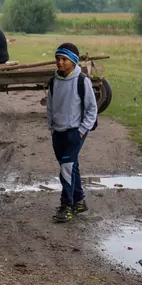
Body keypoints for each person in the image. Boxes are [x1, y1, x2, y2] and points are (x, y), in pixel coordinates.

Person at [47, 43, 98, 223]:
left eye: (64, 59)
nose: (60, 63)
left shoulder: (82, 81)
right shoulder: (53, 82)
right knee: (71, 166)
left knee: (66, 168)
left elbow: (92, 109)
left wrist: (82, 130)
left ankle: (66, 205)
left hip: (75, 132)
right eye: (57, 59)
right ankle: (79, 201)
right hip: (58, 131)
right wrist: (51, 127)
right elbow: (50, 106)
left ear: (73, 61)